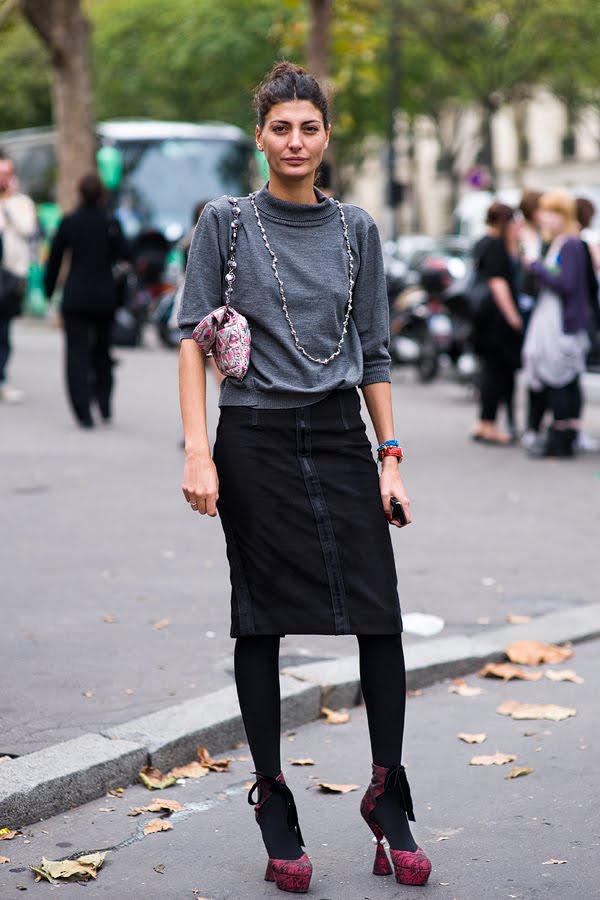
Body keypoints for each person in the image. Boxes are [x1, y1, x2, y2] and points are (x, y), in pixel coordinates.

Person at [177, 62, 432, 893]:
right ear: (261, 137)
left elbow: (378, 354)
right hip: (251, 439)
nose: (295, 141)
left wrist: (390, 461)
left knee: (380, 614)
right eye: (280, 128)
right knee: (261, 618)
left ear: (327, 136)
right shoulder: (226, 222)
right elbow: (190, 338)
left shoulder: (357, 230)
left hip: (336, 435)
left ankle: (388, 798)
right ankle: (273, 797)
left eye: (309, 127)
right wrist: (196, 450)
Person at [44, 172, 128, 428]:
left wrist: (49, 291)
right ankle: (103, 404)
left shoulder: (69, 222)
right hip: (104, 297)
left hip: (76, 298)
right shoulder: (110, 222)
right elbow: (125, 255)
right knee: (103, 351)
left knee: (76, 354)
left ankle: (83, 412)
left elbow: (55, 259)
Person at [523, 189, 591, 458]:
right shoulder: (562, 243)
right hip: (557, 319)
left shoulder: (570, 244)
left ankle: (562, 440)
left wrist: (535, 265)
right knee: (562, 379)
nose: (546, 219)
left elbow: (565, 282)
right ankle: (563, 437)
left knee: (561, 379)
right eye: (545, 213)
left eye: (553, 213)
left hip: (562, 322)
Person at [471, 202, 523, 444]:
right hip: (496, 321)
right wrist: (513, 316)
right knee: (497, 373)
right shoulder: (494, 246)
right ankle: (488, 425)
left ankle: (484, 423)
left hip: (484, 319)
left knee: (491, 372)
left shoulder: (483, 243)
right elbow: (498, 283)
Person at [0, 154, 37, 403]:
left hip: (11, 275)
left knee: (3, 329)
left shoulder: (21, 202)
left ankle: (2, 378)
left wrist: (9, 202)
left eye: (7, 173)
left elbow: (28, 229)